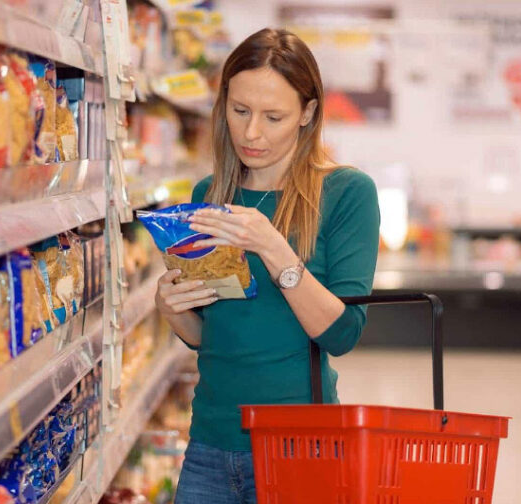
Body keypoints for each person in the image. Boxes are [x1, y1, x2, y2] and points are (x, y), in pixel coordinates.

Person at [155, 28, 380, 504]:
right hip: (211, 443)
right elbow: (212, 335)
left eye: (273, 116)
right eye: (239, 111)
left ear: (308, 113)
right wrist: (173, 308)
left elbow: (342, 335)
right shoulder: (207, 197)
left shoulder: (346, 193)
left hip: (301, 447)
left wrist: (274, 249)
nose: (251, 132)